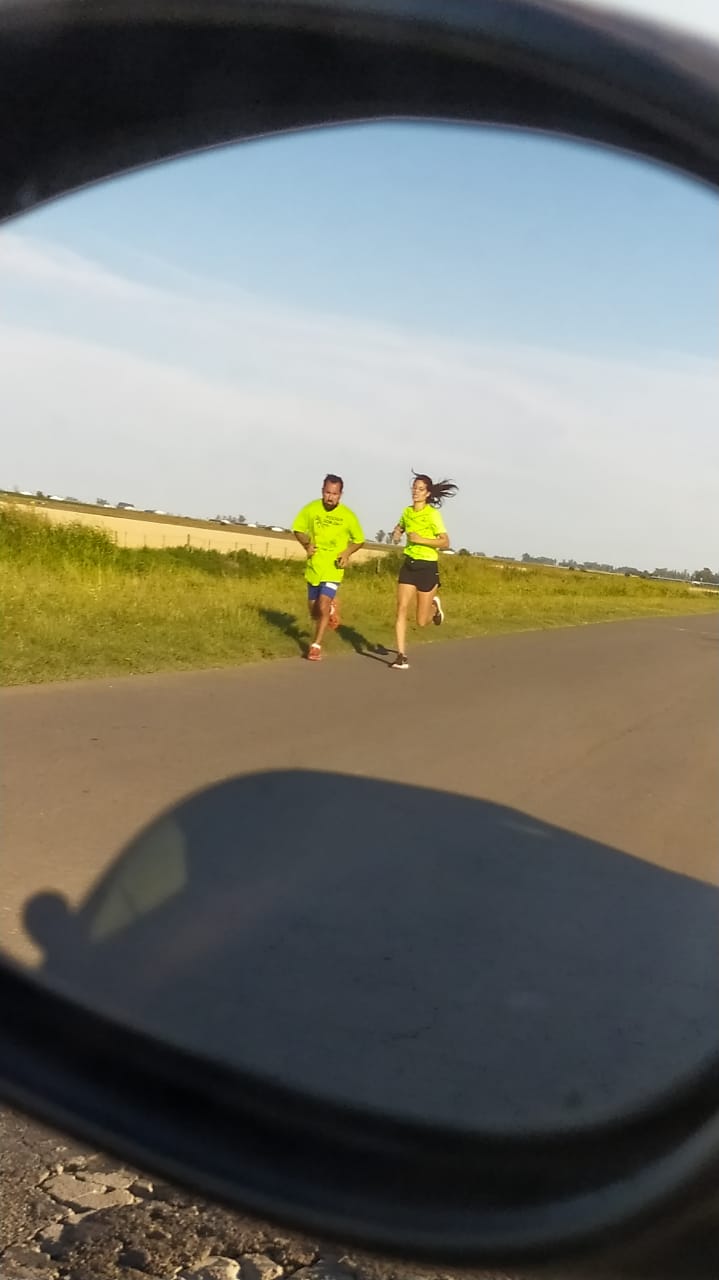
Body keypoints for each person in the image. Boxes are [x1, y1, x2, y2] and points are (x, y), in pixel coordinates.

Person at [389, 472, 458, 670]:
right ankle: (401, 656)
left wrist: (422, 540)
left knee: (421, 621)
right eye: (414, 488)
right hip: (409, 564)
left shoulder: (432, 514)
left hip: (427, 567)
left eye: (420, 489)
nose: (415, 492)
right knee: (401, 609)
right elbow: (400, 528)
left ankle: (435, 609)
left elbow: (445, 541)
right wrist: (396, 533)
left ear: (427, 493)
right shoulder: (407, 511)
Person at [292, 475, 365, 661]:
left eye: (334, 494)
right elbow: (298, 529)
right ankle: (331, 609)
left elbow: (359, 540)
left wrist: (347, 553)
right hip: (315, 565)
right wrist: (306, 544)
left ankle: (316, 645)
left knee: (323, 603)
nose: (330, 497)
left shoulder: (348, 515)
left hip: (334, 567)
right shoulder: (311, 509)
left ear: (340, 495)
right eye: (327, 493)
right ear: (322, 491)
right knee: (314, 610)